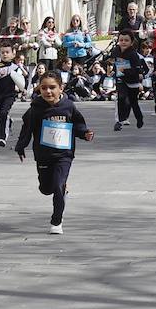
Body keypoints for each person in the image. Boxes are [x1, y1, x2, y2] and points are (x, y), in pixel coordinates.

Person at [14, 72, 94, 234]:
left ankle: (56, 221)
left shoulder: (69, 106)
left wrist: (85, 133)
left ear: (61, 88)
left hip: (64, 155)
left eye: (52, 88)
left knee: (58, 186)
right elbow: (27, 128)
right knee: (46, 189)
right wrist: (21, 146)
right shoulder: (35, 109)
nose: (48, 92)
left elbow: (78, 125)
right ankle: (59, 189)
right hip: (43, 155)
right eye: (44, 88)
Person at [109, 30, 146, 131]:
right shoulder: (116, 50)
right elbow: (113, 61)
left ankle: (139, 118)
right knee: (121, 98)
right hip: (120, 79)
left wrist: (126, 70)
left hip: (132, 80)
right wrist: (112, 69)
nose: (123, 42)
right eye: (121, 40)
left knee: (133, 103)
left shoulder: (133, 54)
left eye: (126, 40)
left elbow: (137, 69)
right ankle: (119, 121)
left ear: (131, 42)